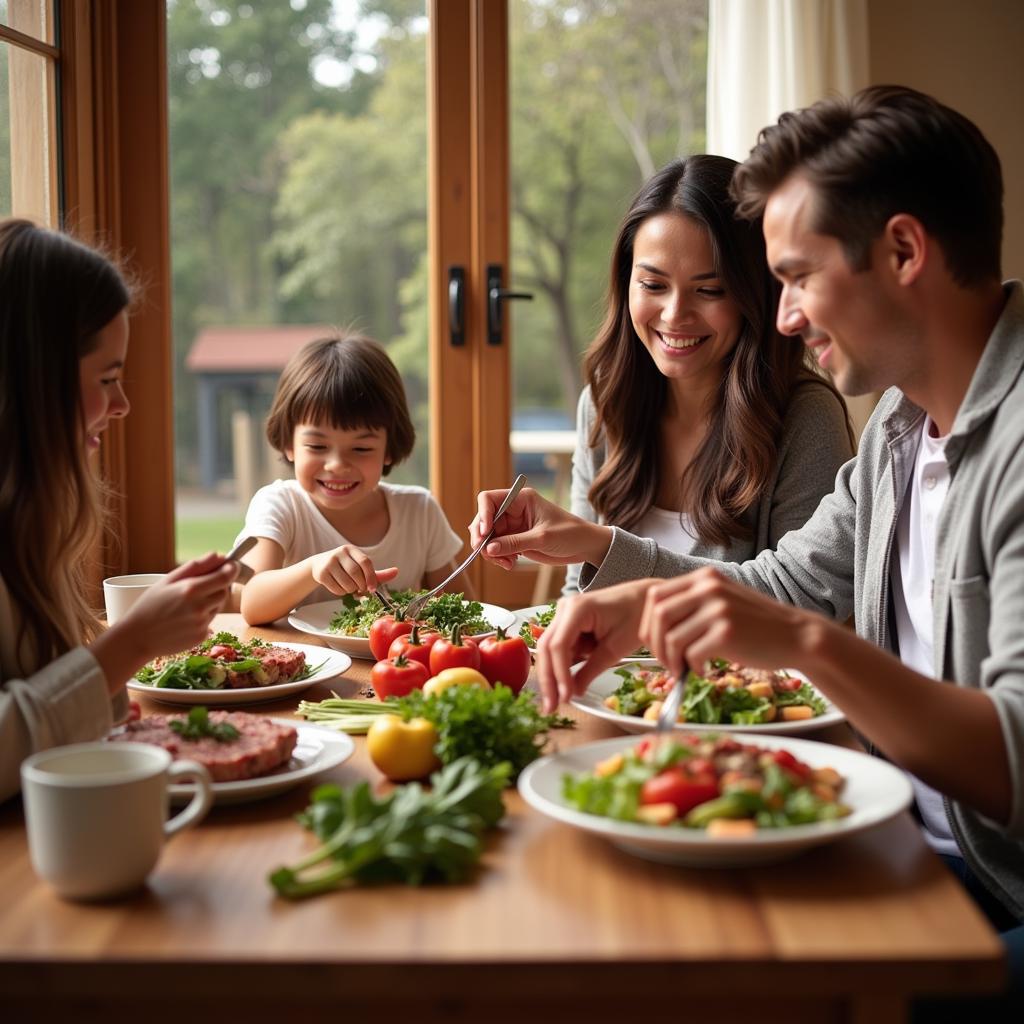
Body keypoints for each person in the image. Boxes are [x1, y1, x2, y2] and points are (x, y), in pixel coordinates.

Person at [512, 86, 1023, 1007]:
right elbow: (785, 579)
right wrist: (635, 601)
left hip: (994, 901)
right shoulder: (906, 429)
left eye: (795, 275)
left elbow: (1014, 763)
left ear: (904, 251)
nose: (781, 315)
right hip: (893, 842)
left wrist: (809, 645)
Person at [477, 156, 853, 595]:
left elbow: (802, 602)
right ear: (626, 284)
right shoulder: (604, 400)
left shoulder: (805, 417)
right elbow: (579, 596)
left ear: (755, 295)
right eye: (653, 285)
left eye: (709, 290)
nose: (675, 315)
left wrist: (601, 545)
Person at [0, 219, 237, 803]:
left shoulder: (31, 520)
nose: (123, 404)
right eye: (107, 378)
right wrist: (129, 644)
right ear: (32, 380)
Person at [236, 334, 467, 624]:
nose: (337, 465)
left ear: (389, 449)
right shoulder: (281, 505)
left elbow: (462, 609)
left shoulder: (419, 511)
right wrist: (312, 569)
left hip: (393, 666)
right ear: (289, 444)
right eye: (317, 446)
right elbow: (251, 604)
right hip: (306, 666)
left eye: (361, 448)